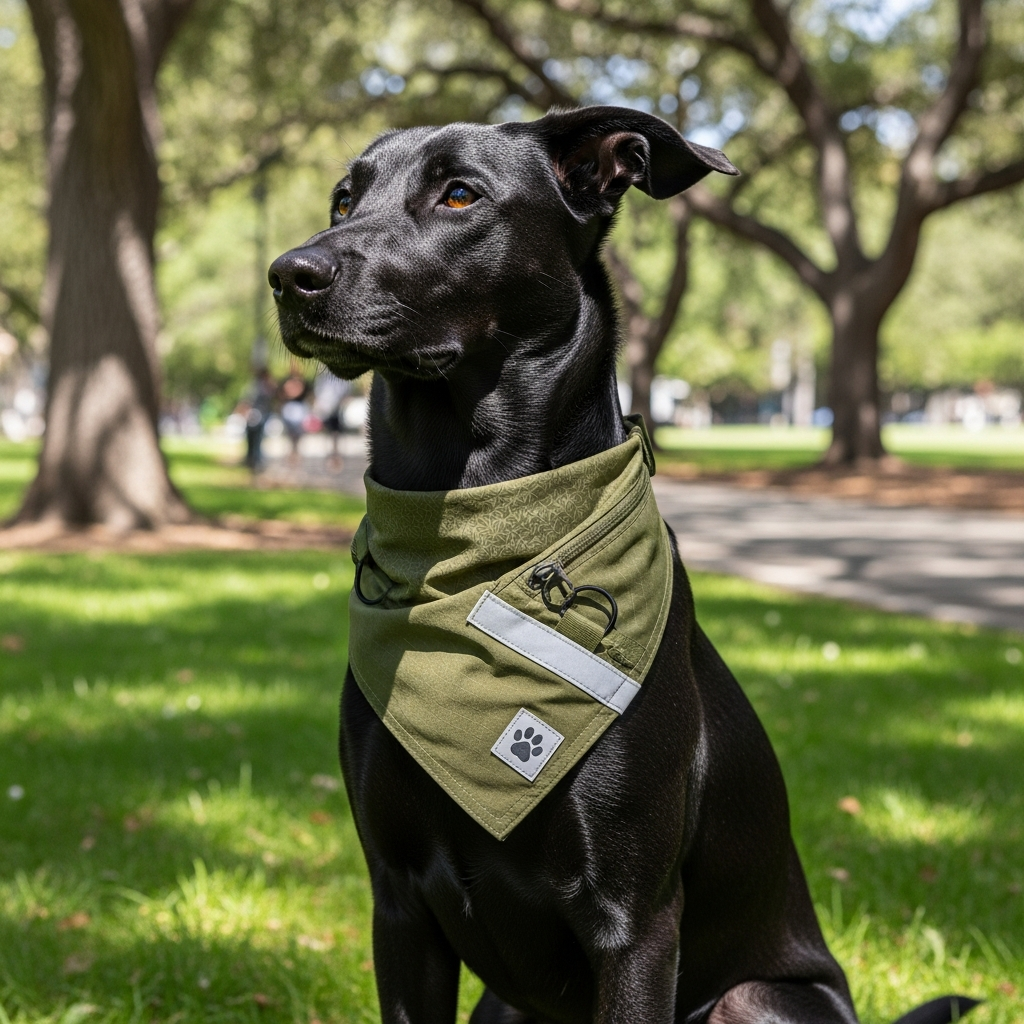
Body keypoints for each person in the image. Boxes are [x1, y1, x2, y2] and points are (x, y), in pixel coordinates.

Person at [239, 367, 276, 471]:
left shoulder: (261, 386)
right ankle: (253, 460)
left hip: (260, 416)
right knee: (255, 440)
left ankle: (254, 460)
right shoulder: (257, 386)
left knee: (256, 440)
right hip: (256, 415)